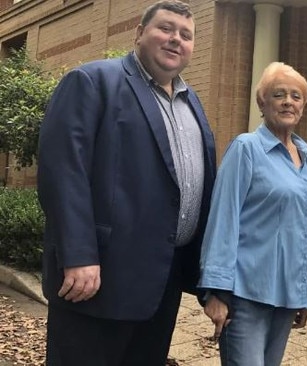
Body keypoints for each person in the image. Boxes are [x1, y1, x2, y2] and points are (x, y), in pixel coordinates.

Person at [37, 1, 217, 365]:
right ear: (138, 33)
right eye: (165, 29)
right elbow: (63, 172)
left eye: (185, 35)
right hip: (97, 279)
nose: (175, 40)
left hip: (161, 283)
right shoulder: (92, 81)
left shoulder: (191, 101)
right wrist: (79, 254)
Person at [199, 62, 307, 366]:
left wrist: (303, 292)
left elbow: (303, 230)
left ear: (303, 106)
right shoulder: (246, 148)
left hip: (285, 295)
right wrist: (216, 291)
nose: (288, 102)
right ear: (261, 103)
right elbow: (222, 219)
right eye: (278, 94)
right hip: (244, 294)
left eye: (296, 96)